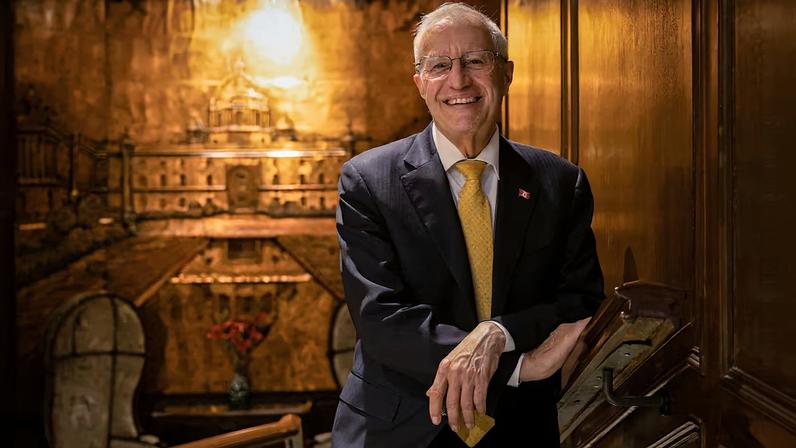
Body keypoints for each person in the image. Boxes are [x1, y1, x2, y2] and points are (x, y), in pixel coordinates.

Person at [332, 3, 604, 447]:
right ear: (420, 84)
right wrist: (515, 366)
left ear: (506, 74)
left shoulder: (560, 182)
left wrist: (498, 335)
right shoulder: (368, 181)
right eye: (439, 66)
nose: (458, 81)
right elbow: (380, 319)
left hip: (520, 428)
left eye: (476, 61)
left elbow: (578, 301)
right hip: (399, 428)